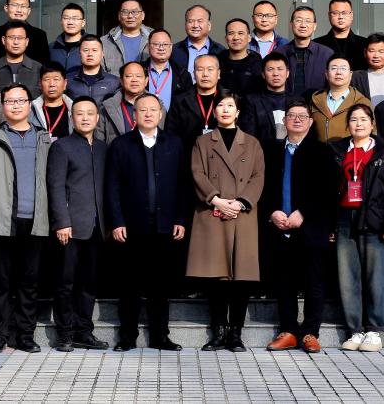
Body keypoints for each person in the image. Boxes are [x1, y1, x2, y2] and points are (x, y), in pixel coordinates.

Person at [0, 83, 53, 353]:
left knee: (29, 283)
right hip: (2, 221)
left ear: (30, 104)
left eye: (21, 100)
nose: (16, 105)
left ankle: (25, 337)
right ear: (3, 106)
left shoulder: (43, 137)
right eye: (10, 101)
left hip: (36, 221)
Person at [106, 93, 186, 352]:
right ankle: (127, 337)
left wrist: (180, 218)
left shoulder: (174, 143)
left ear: (160, 114)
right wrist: (117, 221)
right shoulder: (121, 145)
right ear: (134, 114)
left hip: (165, 225)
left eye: (153, 110)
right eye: (143, 110)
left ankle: (160, 336)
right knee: (129, 284)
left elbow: (182, 184)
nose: (148, 114)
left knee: (160, 285)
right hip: (131, 227)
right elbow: (112, 186)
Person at [187, 91, 265, 352]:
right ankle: (218, 332)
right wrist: (216, 200)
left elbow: (258, 177)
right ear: (214, 111)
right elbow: (197, 173)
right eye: (220, 105)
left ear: (238, 112)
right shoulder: (202, 141)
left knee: (241, 276)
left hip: (242, 214)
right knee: (216, 276)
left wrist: (241, 202)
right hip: (213, 212)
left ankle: (236, 334)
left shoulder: (252, 143)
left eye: (230, 105)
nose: (225, 109)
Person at [261, 99, 334, 353]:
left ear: (311, 122)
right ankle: (289, 331)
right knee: (284, 282)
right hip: (280, 227)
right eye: (292, 115)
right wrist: (271, 212)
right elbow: (262, 186)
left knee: (314, 281)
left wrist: (304, 212)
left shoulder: (322, 151)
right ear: (284, 121)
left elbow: (328, 189)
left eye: (302, 116)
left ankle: (311, 333)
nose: (297, 120)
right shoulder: (271, 150)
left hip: (311, 228)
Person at [331, 104, 384, 353]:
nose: (359, 124)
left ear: (372, 124)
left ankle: (374, 330)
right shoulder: (337, 150)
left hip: (375, 220)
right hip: (344, 219)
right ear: (347, 125)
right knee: (347, 277)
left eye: (364, 119)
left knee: (376, 276)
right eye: (354, 119)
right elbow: (328, 189)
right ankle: (355, 329)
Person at [47, 96, 110, 351]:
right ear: (72, 118)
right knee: (66, 282)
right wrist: (61, 222)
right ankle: (64, 333)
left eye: (90, 113)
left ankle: (84, 332)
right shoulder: (62, 147)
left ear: (97, 118)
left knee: (89, 283)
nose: (85, 118)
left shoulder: (104, 148)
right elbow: (55, 186)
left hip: (97, 227)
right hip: (70, 227)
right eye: (79, 113)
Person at [166, 54, 223, 150]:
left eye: (210, 69)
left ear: (218, 73)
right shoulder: (180, 101)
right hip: (188, 154)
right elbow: (171, 134)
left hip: (222, 154)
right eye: (200, 70)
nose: (205, 74)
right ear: (194, 74)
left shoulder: (229, 99)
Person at [309, 57, 373, 143]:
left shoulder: (362, 102)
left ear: (350, 74)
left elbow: (372, 134)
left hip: (350, 150)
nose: (338, 72)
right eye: (334, 68)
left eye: (343, 68)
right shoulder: (315, 100)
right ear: (326, 74)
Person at [276, 6, 334, 96]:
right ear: (291, 24)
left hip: (317, 104)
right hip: (285, 104)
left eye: (308, 21)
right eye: (299, 20)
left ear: (314, 26)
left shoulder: (327, 54)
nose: (303, 25)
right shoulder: (278, 53)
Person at [0, 0, 50, 65]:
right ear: (6, 8)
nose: (19, 10)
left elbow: (44, 66)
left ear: (29, 10)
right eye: (15, 5)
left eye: (23, 6)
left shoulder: (40, 35)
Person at [240, 52, 290, 142]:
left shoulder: (297, 100)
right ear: (263, 74)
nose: (276, 73)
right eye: (270, 69)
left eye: (280, 69)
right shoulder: (251, 101)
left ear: (287, 73)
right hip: (260, 149)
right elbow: (248, 135)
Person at [97, 61, 148, 145]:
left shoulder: (158, 108)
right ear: (121, 80)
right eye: (129, 76)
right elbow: (99, 143)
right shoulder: (107, 108)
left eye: (138, 76)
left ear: (146, 80)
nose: (134, 80)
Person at [172, 5, 228, 80]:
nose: (195, 25)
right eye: (191, 21)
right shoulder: (174, 50)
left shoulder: (221, 51)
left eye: (200, 21)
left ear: (209, 25)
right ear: (185, 25)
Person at [0, 20, 43, 92]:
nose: (16, 42)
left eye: (20, 38)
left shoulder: (38, 68)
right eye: (12, 37)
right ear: (4, 40)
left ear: (26, 42)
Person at [314, 0, 367, 72]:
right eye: (335, 13)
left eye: (344, 13)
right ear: (329, 16)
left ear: (351, 15)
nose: (340, 17)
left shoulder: (365, 44)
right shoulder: (317, 45)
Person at [145, 28, 193, 112]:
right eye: (156, 44)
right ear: (148, 46)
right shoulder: (139, 70)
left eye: (165, 44)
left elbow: (188, 105)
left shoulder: (183, 74)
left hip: (174, 120)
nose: (161, 48)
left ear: (171, 47)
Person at [102, 0, 153, 73]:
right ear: (119, 16)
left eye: (135, 12)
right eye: (125, 12)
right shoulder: (105, 42)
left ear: (143, 15)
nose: (130, 16)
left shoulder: (154, 39)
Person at [66, 34, 120, 104]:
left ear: (102, 54)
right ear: (79, 54)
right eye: (86, 50)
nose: (90, 54)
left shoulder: (114, 82)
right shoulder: (68, 80)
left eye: (94, 50)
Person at [217, 18, 263, 96]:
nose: (236, 37)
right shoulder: (218, 61)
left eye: (240, 33)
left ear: (249, 38)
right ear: (226, 38)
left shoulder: (257, 63)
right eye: (231, 33)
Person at [350, 33, 384, 107]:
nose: (376, 56)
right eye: (372, 51)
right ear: (365, 53)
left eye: (381, 51)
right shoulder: (355, 77)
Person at [30, 61, 74, 139]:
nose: (51, 84)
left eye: (56, 79)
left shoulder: (74, 109)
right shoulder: (31, 110)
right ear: (40, 84)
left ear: (65, 83)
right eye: (47, 79)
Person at [49, 3, 87, 75]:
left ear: (83, 22)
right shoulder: (51, 48)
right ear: (61, 21)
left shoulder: (91, 47)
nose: (70, 22)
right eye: (66, 18)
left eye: (75, 18)